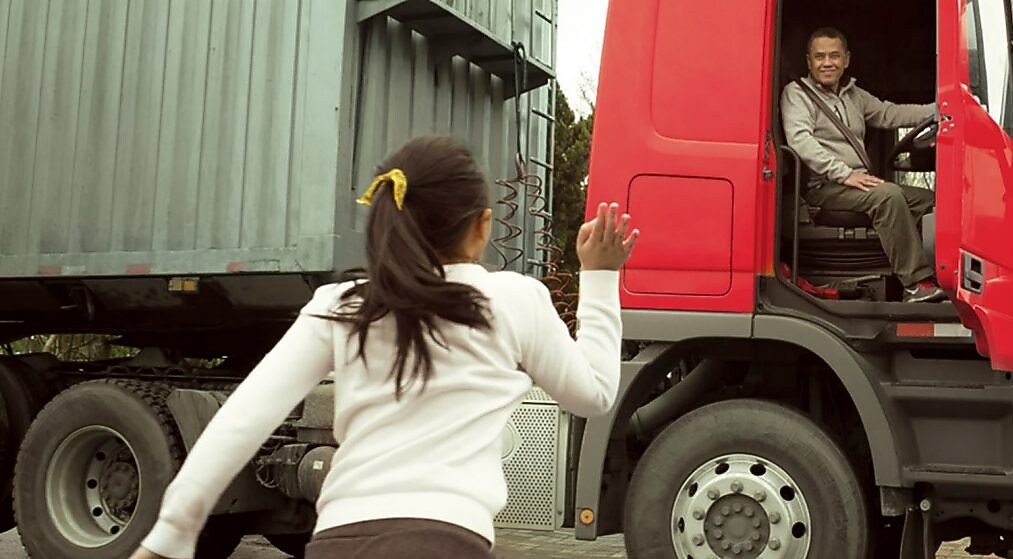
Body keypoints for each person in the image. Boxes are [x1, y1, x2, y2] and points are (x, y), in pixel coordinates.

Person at [129, 136, 639, 559]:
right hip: (446, 540)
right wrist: (598, 278)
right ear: (483, 225)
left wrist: (171, 532)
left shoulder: (341, 305)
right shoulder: (511, 299)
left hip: (337, 541)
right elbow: (592, 395)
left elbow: (242, 418)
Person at [781, 27, 946, 303]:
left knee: (931, 201)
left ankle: (944, 277)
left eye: (834, 56)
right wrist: (845, 174)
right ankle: (916, 284)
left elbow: (889, 113)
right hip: (824, 186)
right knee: (888, 196)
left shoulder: (853, 94)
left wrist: (939, 109)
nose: (827, 63)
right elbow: (800, 142)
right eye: (819, 56)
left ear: (846, 59)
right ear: (809, 61)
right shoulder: (796, 94)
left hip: (857, 183)